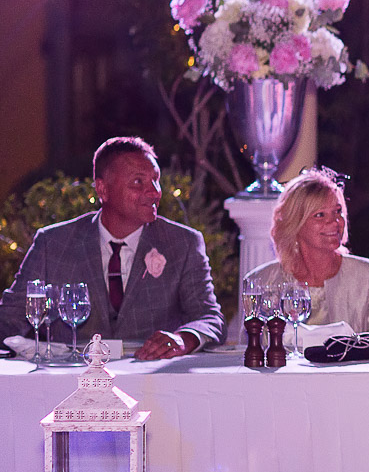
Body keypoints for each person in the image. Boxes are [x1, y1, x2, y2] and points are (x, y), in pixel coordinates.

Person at [0, 136, 225, 359]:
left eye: (156, 180)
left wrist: (182, 339)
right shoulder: (53, 242)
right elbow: (13, 315)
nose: (155, 192)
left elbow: (209, 318)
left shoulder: (182, 243)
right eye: (139, 182)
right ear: (102, 189)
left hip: (152, 384)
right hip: (68, 381)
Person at [244, 168, 369, 338]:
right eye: (320, 215)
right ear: (295, 224)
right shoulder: (261, 281)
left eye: (338, 211)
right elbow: (252, 349)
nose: (334, 221)